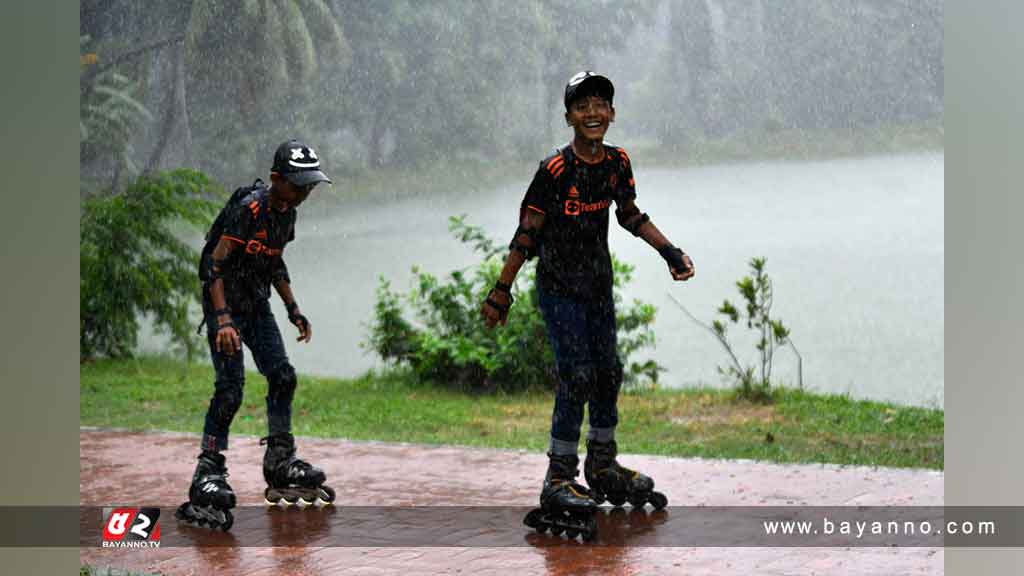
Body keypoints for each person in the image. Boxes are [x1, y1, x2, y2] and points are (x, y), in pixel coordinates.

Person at [482, 71, 695, 539]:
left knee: (608, 371)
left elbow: (630, 215)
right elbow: (527, 233)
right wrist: (502, 290)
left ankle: (602, 464)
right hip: (559, 287)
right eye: (583, 106)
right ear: (569, 117)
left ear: (612, 113)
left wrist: (670, 252)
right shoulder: (554, 171)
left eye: (601, 104)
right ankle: (558, 477)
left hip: (597, 285)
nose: (593, 112)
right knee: (576, 374)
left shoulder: (617, 162)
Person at [175, 139, 336, 531]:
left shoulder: (287, 214)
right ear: (276, 179)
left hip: (256, 303)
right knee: (230, 388)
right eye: (298, 184)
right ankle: (207, 473)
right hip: (224, 305)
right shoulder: (249, 208)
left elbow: (274, 260)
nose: (304, 193)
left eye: (310, 186)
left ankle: (280, 460)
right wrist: (223, 320)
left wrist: (293, 308)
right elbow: (212, 266)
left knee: (283, 375)